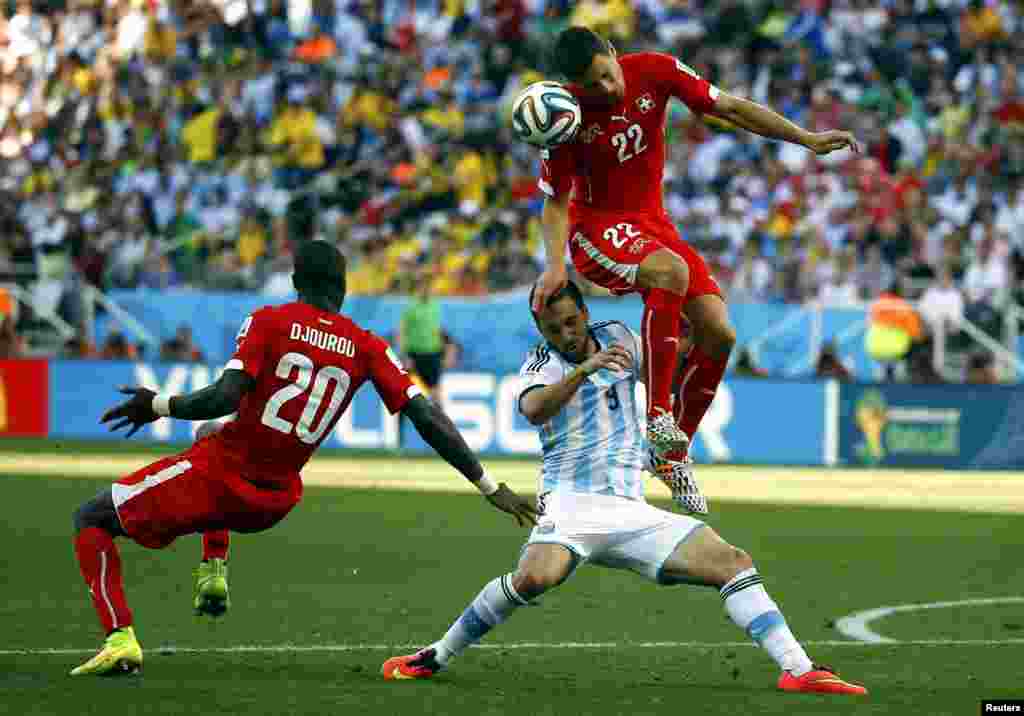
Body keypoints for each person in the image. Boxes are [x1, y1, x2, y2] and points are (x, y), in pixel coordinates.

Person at [70, 240, 537, 677]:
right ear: (344, 287)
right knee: (213, 435)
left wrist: (156, 405)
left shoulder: (269, 321)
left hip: (220, 478)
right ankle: (213, 569)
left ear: (296, 282)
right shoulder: (368, 346)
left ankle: (120, 638)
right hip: (275, 500)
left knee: (91, 518)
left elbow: (224, 395)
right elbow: (428, 417)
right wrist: (488, 486)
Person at [382, 281, 867, 697]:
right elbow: (533, 410)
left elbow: (672, 351)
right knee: (533, 578)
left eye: (571, 322)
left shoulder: (618, 337)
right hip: (570, 503)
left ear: (586, 314)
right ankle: (435, 655)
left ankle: (799, 670)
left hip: (631, 509)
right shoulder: (541, 365)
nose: (565, 335)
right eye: (554, 329)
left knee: (733, 562)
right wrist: (582, 371)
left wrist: (685, 317)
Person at [530, 27, 860, 510]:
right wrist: (555, 265)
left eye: (606, 76)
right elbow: (555, 202)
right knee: (670, 273)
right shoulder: (566, 116)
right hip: (595, 228)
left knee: (720, 335)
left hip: (653, 224)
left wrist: (805, 138)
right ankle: (658, 414)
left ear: (613, 53)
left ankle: (669, 453)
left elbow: (727, 106)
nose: (606, 90)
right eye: (591, 85)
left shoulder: (657, 71)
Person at [399, 280, 444, 398]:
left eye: (429, 287)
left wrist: (442, 352)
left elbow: (437, 329)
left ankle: (437, 416)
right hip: (414, 354)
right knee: (407, 390)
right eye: (424, 287)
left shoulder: (435, 305)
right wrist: (404, 354)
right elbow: (402, 330)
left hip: (432, 353)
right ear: (419, 288)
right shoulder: (411, 307)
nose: (427, 290)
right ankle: (403, 416)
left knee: (435, 391)